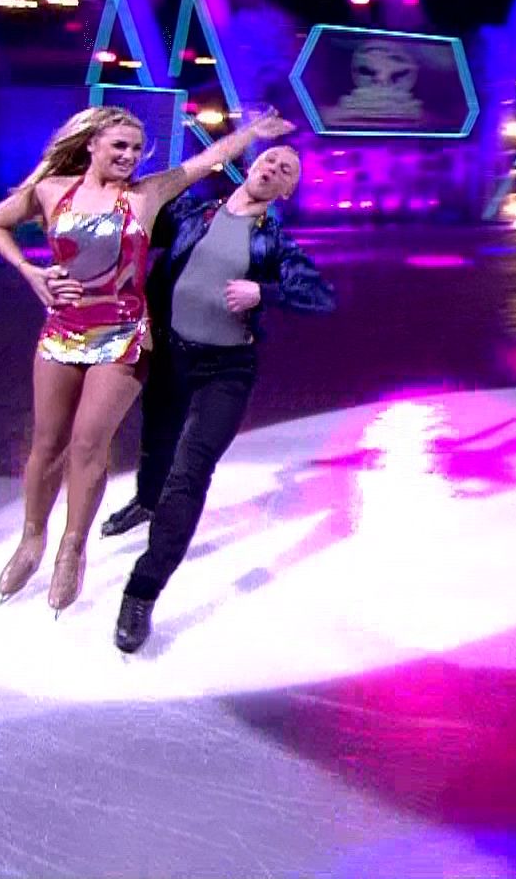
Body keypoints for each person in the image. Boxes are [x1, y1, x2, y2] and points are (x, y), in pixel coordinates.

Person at [0, 105, 295, 614]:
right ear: (91, 145)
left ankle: (72, 548)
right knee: (47, 444)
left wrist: (249, 134)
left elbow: (206, 161)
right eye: (119, 146)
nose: (129, 156)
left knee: (89, 443)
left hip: (124, 335)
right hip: (62, 330)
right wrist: (31, 272)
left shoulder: (146, 195)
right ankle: (32, 537)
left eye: (136, 149)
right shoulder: (52, 190)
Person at [76, 145, 335, 652]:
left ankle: (142, 592)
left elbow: (321, 295)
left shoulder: (275, 241)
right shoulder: (192, 213)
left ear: (287, 190)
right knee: (157, 438)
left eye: (286, 170)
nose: (274, 168)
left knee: (190, 472)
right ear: (251, 165)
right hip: (171, 353)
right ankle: (145, 503)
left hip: (227, 371)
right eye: (270, 159)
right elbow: (139, 211)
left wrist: (265, 293)